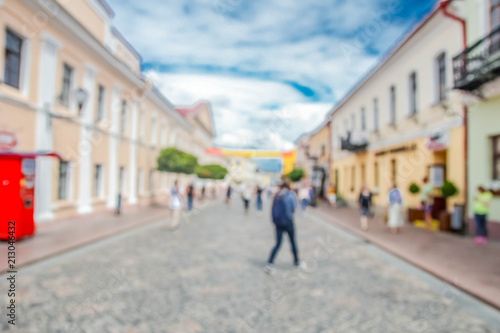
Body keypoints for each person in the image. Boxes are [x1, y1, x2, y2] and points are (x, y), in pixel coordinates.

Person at [265, 180, 301, 274]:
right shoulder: (290, 194)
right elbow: (294, 207)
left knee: (277, 244)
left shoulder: (277, 195)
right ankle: (297, 262)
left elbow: (272, 209)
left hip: (278, 223)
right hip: (288, 222)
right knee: (292, 242)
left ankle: (270, 263)